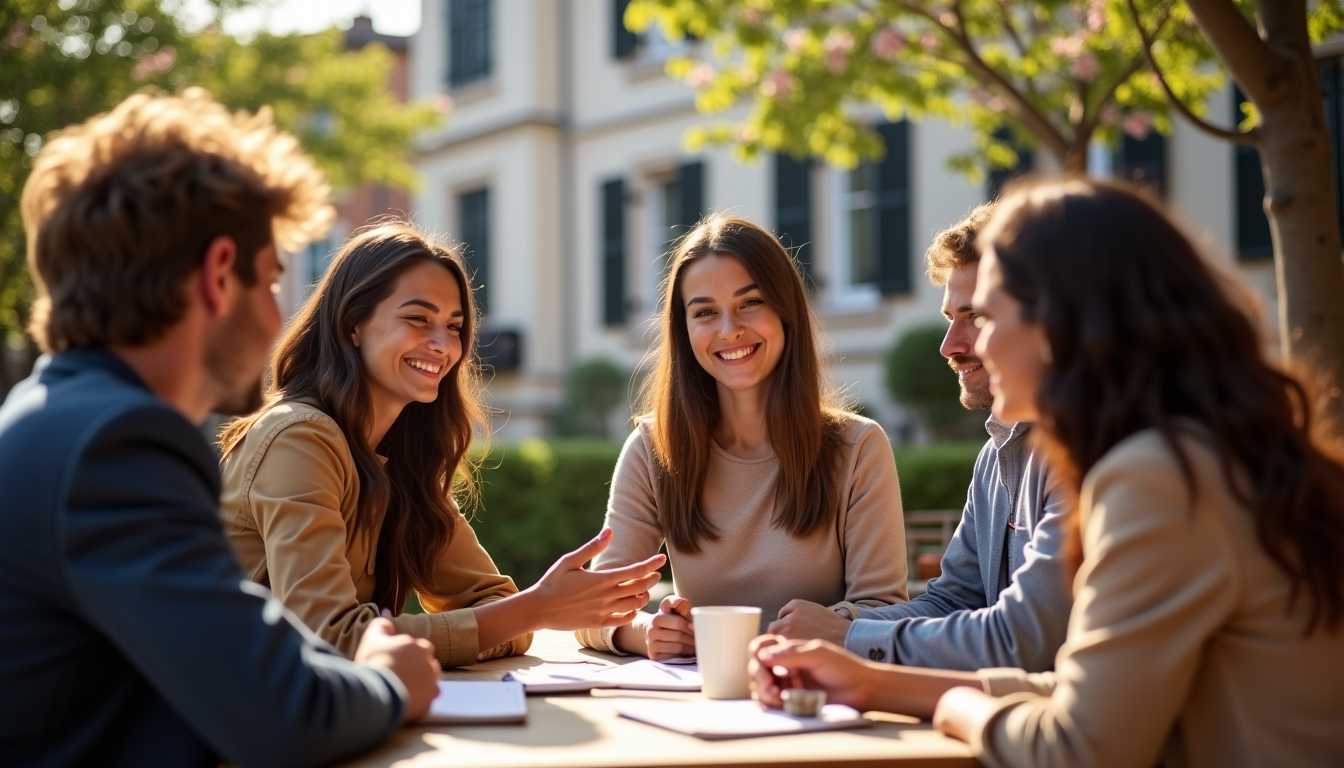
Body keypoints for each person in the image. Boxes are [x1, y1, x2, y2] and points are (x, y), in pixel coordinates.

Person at [751, 179, 1344, 767]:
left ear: (1066, 322)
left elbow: (1077, 745)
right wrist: (868, 680)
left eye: (990, 314)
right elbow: (1079, 689)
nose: (964, 345)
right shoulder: (1199, 450)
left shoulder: (1159, 476)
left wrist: (953, 706)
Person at [0, 90, 441, 768]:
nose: (277, 321)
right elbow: (283, 712)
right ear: (216, 275)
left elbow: (242, 657)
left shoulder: (61, 419)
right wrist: (387, 681)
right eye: (268, 283)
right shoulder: (116, 444)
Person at [219, 221, 665, 668]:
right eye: (418, 318)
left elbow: (494, 606)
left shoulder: (401, 461)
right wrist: (535, 608)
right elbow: (329, 638)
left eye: (454, 326)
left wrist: (523, 613)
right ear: (353, 324)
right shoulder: (298, 438)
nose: (442, 344)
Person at [576, 213, 909, 660]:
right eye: (705, 312)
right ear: (685, 331)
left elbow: (885, 610)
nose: (728, 330)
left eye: (750, 303)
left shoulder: (858, 448)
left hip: (812, 699)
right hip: (700, 705)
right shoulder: (653, 451)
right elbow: (594, 611)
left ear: (785, 311)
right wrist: (645, 631)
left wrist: (835, 626)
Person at [767, 203, 1073, 672]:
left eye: (977, 317)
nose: (949, 345)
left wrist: (849, 637)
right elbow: (954, 602)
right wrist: (839, 626)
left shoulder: (1088, 455)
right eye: (952, 316)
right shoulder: (996, 456)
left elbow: (1024, 641)